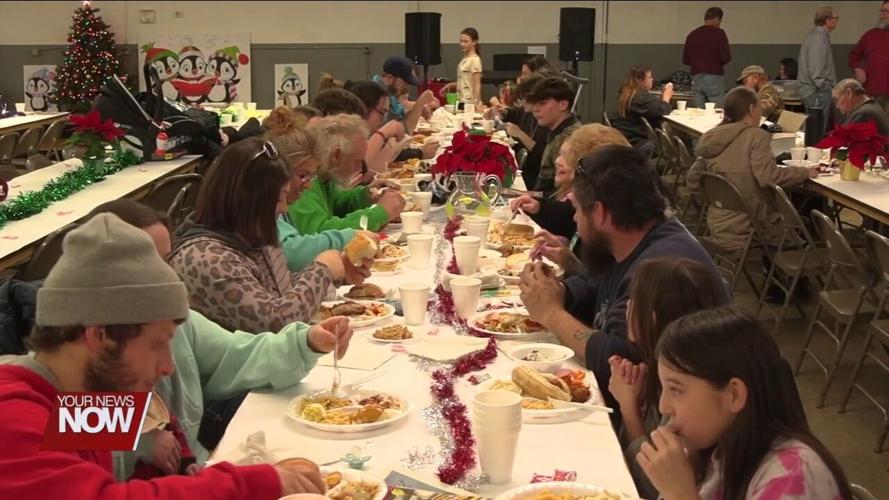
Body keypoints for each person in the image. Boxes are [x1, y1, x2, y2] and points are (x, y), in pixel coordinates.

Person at [0, 213, 327, 498]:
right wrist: (255, 483)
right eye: (157, 343)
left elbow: (158, 447)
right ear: (100, 336)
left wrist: (191, 469)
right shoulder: (13, 420)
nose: (169, 366)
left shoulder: (74, 405)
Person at [79, 199, 353, 477]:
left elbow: (238, 355)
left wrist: (307, 342)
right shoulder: (76, 351)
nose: (169, 276)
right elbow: (82, 447)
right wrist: (142, 440)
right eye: (150, 264)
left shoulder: (175, 321)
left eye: (166, 260)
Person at [517, 145, 729, 419]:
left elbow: (618, 361)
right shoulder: (632, 237)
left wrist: (552, 313)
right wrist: (555, 290)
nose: (574, 219)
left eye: (577, 209)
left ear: (600, 213)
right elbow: (594, 282)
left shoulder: (660, 268)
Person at [637, 307, 853, 500]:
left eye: (676, 389)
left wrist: (680, 493)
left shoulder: (793, 474)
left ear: (734, 395)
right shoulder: (717, 449)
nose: (664, 406)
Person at [168, 137, 370, 333]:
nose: (284, 209)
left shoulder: (251, 235)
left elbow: (280, 291)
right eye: (278, 198)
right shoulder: (206, 258)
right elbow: (275, 323)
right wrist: (322, 272)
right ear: (249, 198)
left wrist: (338, 273)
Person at [607, 257, 727, 500]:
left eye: (633, 299)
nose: (627, 306)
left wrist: (628, 406)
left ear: (651, 318)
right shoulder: (658, 367)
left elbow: (652, 483)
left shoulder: (686, 385)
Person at [687, 87, 819, 251]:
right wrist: (805, 172)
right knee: (806, 223)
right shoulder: (756, 136)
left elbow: (692, 180)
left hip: (718, 224)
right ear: (751, 109)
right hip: (752, 228)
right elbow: (768, 177)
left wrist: (717, 200)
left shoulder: (712, 137)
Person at [510, 124, 630, 264]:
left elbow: (596, 274)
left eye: (567, 158)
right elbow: (567, 214)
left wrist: (571, 265)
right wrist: (539, 207)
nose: (557, 161)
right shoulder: (595, 201)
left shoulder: (609, 227)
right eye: (560, 154)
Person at [269, 127, 374, 272]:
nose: (308, 185)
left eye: (311, 177)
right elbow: (293, 254)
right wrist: (351, 237)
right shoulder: (266, 209)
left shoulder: (283, 202)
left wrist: (341, 275)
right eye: (303, 176)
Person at [289, 114, 405, 233]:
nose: (360, 168)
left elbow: (337, 204)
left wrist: (366, 195)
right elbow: (323, 232)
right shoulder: (302, 183)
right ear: (337, 155)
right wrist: (379, 213)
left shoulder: (323, 177)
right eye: (357, 161)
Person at [524, 76, 581, 196]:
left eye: (542, 103)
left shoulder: (569, 139)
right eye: (535, 103)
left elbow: (561, 193)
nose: (535, 109)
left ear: (563, 105)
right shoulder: (555, 131)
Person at [612, 65, 673, 157]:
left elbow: (652, 108)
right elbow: (663, 110)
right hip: (635, 141)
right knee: (673, 141)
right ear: (640, 81)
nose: (652, 79)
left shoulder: (629, 92)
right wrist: (666, 98)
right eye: (649, 77)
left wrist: (662, 99)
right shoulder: (640, 97)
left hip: (625, 136)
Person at [372, 55, 437, 134]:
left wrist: (417, 110)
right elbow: (403, 132)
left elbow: (399, 118)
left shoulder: (389, 94)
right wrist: (419, 104)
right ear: (389, 78)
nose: (406, 87)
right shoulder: (378, 96)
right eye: (405, 82)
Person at [683, 6, 731, 108]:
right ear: (717, 19)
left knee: (698, 111)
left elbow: (686, 59)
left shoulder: (692, 35)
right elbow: (725, 57)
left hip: (696, 77)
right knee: (716, 111)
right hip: (714, 77)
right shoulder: (719, 33)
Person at [798, 6, 839, 120]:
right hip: (816, 93)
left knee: (819, 126)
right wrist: (827, 89)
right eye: (836, 18)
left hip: (815, 91)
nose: (837, 21)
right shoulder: (818, 38)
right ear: (827, 20)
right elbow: (816, 70)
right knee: (818, 128)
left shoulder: (816, 35)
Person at [850, 2, 889, 115]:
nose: (883, 14)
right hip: (872, 90)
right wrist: (858, 68)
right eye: (882, 11)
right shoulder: (870, 35)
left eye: (887, 11)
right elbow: (854, 55)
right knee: (871, 121)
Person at [442, 28, 483, 107]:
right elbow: (466, 80)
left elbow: (477, 84)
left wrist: (476, 102)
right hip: (460, 99)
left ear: (474, 42)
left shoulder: (475, 60)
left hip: (469, 101)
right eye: (461, 41)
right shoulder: (464, 59)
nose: (462, 44)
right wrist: (453, 85)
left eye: (465, 42)